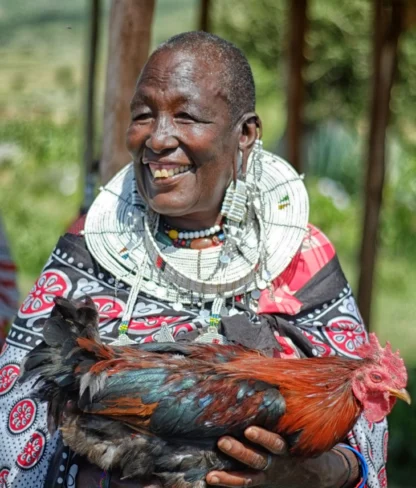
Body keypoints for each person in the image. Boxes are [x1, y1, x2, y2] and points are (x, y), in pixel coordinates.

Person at [0, 32, 387, 488]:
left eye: (186, 116)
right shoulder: (89, 246)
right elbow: (14, 410)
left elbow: (367, 423)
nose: (159, 138)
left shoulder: (302, 257)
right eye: (143, 115)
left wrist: (317, 471)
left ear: (244, 134)